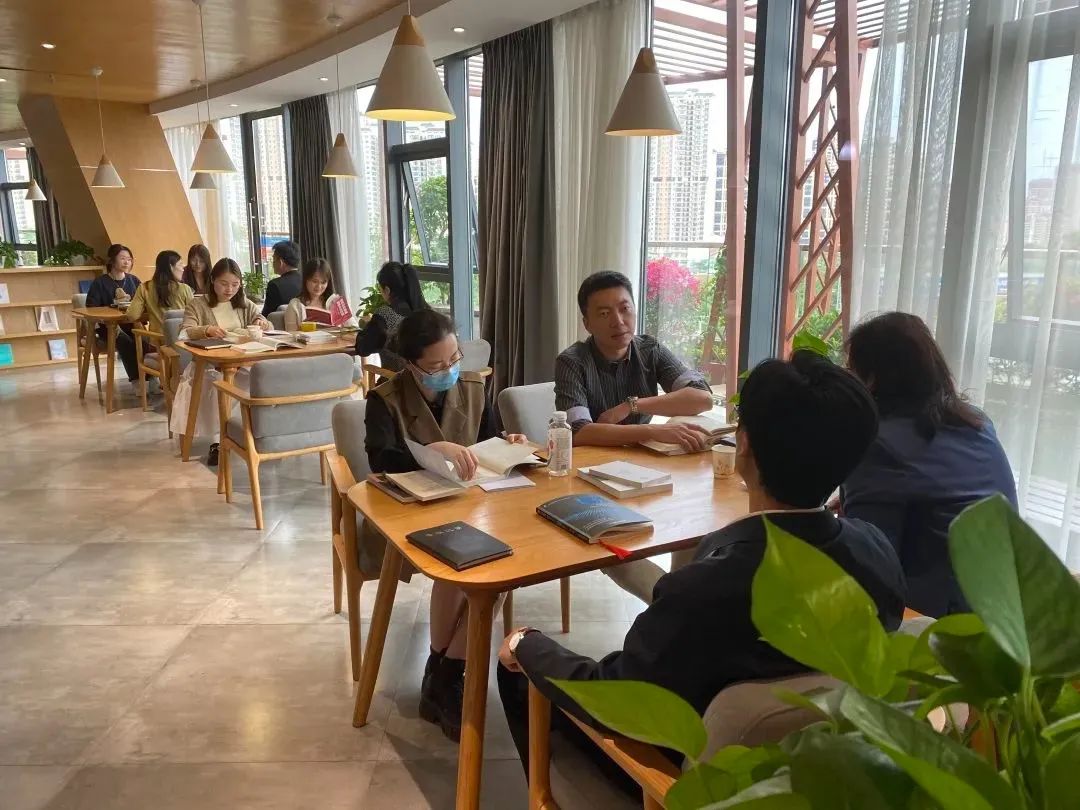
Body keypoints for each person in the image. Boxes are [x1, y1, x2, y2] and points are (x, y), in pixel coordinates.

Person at [496, 351, 906, 797]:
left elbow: (614, 698)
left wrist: (528, 642)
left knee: (519, 669)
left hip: (687, 782)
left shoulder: (705, 591)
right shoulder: (876, 552)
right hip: (824, 774)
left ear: (743, 445)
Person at [364, 308, 526, 742]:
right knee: (477, 567)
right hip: (412, 511)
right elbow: (379, 459)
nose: (449, 370)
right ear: (411, 365)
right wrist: (432, 448)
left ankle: (442, 672)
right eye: (436, 366)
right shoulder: (385, 399)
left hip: (471, 505)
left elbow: (488, 441)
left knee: (496, 568)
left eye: (454, 358)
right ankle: (449, 675)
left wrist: (508, 443)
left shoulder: (473, 386)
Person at [840, 312, 1017, 618]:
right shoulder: (977, 423)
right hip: (1005, 612)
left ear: (871, 379)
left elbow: (870, 566)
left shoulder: (877, 443)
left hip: (936, 625)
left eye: (850, 371)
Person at [555, 270, 715, 599]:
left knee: (695, 519)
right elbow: (579, 432)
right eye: (604, 313)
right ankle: (671, 603)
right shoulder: (572, 361)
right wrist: (653, 430)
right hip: (590, 480)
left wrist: (632, 406)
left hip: (643, 469)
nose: (618, 321)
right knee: (613, 541)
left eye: (624, 308)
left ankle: (678, 603)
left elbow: (702, 397)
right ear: (587, 323)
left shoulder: (649, 349)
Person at [175, 258, 271, 465]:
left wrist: (261, 322)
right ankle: (219, 441)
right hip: (209, 365)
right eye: (224, 284)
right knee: (217, 384)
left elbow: (265, 323)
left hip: (243, 362)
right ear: (212, 280)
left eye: (235, 285)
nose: (230, 290)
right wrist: (206, 330)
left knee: (262, 380)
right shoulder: (198, 304)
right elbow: (184, 331)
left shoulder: (244, 304)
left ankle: (251, 435)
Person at [354, 261, 428, 367]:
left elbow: (363, 348)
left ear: (387, 290)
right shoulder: (428, 313)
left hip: (397, 377)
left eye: (380, 289)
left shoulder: (385, 315)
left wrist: (368, 326)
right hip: (428, 376)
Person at [86, 243, 142, 382]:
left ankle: (150, 379)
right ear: (112, 260)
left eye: (129, 259)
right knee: (126, 342)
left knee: (146, 340)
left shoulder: (134, 280)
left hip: (131, 324)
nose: (126, 262)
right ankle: (137, 381)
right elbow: (91, 308)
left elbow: (142, 302)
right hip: (108, 327)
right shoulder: (100, 282)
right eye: (122, 258)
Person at [126, 249, 194, 335]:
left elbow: (132, 315)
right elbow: (195, 315)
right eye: (180, 265)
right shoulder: (184, 289)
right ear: (171, 267)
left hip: (156, 341)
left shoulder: (145, 287)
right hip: (181, 341)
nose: (183, 269)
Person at [283, 258, 357, 332]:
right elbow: (290, 335)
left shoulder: (336, 302)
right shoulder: (295, 305)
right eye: (315, 281)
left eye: (323, 282)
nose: (319, 286)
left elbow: (354, 329)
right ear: (306, 280)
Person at [261, 240, 302, 317]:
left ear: (280, 262)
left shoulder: (274, 285)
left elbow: (266, 316)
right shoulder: (307, 281)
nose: (272, 263)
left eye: (273, 260)